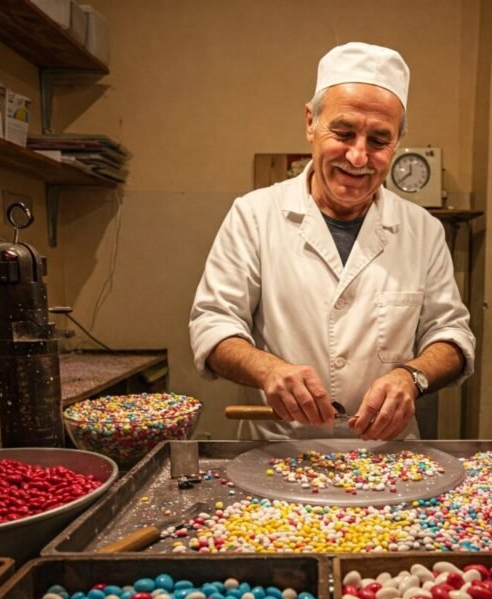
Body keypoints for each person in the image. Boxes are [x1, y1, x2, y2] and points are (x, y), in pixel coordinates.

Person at [189, 41, 475, 441]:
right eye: (343, 132)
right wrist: (267, 369)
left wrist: (412, 377)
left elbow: (452, 337)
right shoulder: (254, 216)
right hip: (278, 453)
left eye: (378, 141)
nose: (358, 157)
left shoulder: (422, 230)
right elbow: (213, 324)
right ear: (311, 122)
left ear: (397, 141)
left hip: (387, 457)